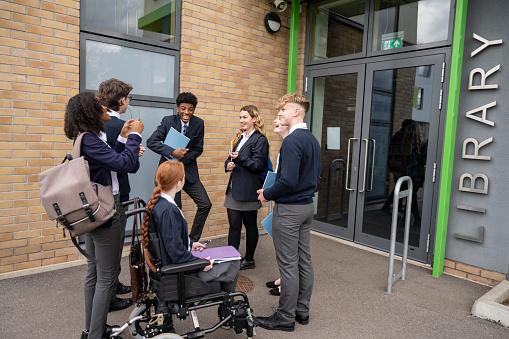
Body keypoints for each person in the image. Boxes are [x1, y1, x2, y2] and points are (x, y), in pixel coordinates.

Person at [64, 92, 143, 339]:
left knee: (94, 272)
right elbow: (123, 164)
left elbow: (109, 161)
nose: (105, 109)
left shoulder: (85, 138)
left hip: (93, 212)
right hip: (105, 212)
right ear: (90, 112)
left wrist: (121, 138)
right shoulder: (90, 140)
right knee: (106, 277)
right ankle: (97, 334)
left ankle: (91, 330)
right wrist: (135, 135)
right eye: (99, 106)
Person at [255, 93, 320, 332]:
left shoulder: (293, 141)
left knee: (288, 265)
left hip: (291, 210)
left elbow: (289, 181)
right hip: (306, 208)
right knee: (304, 261)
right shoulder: (311, 139)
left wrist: (267, 193)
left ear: (297, 112)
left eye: (284, 109)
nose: (280, 113)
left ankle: (284, 317)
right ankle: (302, 311)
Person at [142, 160, 239, 293]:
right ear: (179, 182)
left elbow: (169, 240)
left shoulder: (159, 203)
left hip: (172, 266)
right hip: (181, 274)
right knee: (233, 263)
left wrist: (190, 243)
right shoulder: (169, 210)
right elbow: (176, 254)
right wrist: (201, 264)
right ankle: (227, 307)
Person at [98, 78, 145, 312]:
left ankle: (113, 285)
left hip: (99, 193)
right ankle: (111, 291)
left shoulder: (98, 124)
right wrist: (134, 148)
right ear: (122, 100)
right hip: (114, 193)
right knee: (114, 246)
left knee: (107, 251)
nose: (129, 102)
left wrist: (131, 150)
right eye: (129, 98)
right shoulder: (118, 125)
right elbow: (128, 164)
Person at [147, 92, 211, 242]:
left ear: (194, 110)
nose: (186, 112)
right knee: (175, 209)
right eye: (183, 108)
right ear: (177, 108)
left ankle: (192, 240)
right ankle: (175, 243)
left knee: (205, 204)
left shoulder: (199, 123)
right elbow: (152, 141)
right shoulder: (168, 121)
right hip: (169, 173)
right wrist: (171, 152)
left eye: (190, 109)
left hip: (188, 172)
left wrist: (183, 158)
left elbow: (198, 149)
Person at [224, 105, 269, 270]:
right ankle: (231, 259)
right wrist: (227, 164)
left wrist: (240, 159)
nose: (241, 120)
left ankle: (249, 259)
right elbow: (231, 158)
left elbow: (258, 165)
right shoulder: (238, 137)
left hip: (249, 190)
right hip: (233, 189)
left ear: (254, 119)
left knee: (250, 225)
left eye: (245, 117)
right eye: (240, 117)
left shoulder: (260, 140)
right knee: (234, 226)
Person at [265, 116, 290, 297]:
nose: (275, 120)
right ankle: (283, 278)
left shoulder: (291, 145)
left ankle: (286, 286)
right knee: (281, 246)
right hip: (280, 199)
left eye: (280, 118)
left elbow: (287, 180)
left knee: (287, 249)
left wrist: (267, 193)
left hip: (288, 204)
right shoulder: (285, 145)